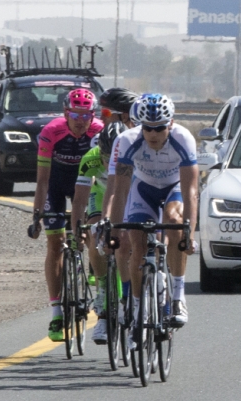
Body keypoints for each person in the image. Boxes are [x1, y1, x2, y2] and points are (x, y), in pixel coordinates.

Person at [105, 94, 199, 347]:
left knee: (173, 219)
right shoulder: (127, 141)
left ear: (171, 124)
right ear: (140, 126)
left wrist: (189, 232)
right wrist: (113, 231)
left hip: (173, 188)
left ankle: (178, 297)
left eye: (159, 128)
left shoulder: (183, 139)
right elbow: (120, 190)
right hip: (143, 188)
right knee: (136, 243)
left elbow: (191, 191)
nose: (153, 134)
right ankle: (138, 315)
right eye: (147, 128)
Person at [29, 88, 104, 341]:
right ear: (65, 112)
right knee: (55, 244)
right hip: (57, 186)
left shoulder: (100, 131)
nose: (81, 121)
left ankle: (95, 263)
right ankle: (57, 313)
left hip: (88, 184)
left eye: (86, 115)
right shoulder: (51, 132)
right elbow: (42, 181)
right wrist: (36, 215)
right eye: (75, 114)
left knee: (93, 228)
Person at [70, 121, 125, 344]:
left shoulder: (133, 157)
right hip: (100, 195)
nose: (109, 162)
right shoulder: (90, 159)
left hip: (125, 196)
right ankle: (103, 292)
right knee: (94, 234)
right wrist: (77, 230)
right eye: (105, 156)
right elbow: (80, 199)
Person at [97, 88, 140, 327]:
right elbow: (114, 188)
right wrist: (107, 221)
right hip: (123, 190)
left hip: (150, 190)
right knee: (122, 241)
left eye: (104, 112)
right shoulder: (113, 139)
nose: (99, 117)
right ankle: (126, 297)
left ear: (122, 115)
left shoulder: (143, 135)